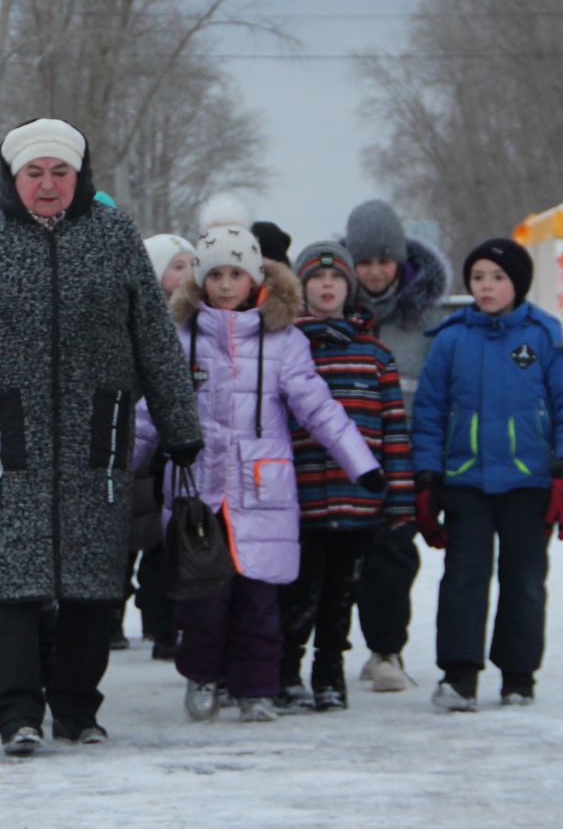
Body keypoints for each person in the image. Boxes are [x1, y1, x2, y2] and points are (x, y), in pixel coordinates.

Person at [0, 118, 202, 756]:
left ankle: (77, 710)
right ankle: (17, 713)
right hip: (6, 435)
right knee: (8, 584)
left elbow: (156, 339)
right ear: (12, 178)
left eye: (60, 172)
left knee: (91, 584)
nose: (47, 185)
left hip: (93, 437)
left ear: (79, 178)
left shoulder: (113, 235)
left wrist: (180, 425)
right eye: (34, 173)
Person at [140, 204, 383, 723]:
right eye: (216, 275)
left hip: (264, 489)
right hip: (197, 491)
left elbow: (318, 407)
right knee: (203, 602)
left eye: (236, 273)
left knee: (259, 603)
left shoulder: (284, 340)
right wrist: (118, 466)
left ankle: (255, 689)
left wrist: (361, 464)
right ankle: (203, 680)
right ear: (201, 281)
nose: (226, 285)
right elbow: (149, 411)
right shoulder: (179, 338)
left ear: (255, 278)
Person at [412, 239, 563, 712]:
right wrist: (428, 477)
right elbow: (429, 411)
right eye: (478, 278)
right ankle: (459, 675)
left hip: (529, 484)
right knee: (463, 578)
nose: (487, 287)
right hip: (467, 482)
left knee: (525, 580)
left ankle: (518, 676)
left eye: (498, 277)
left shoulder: (543, 337)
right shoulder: (452, 339)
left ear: (517, 284)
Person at [284, 242, 415, 711]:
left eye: (336, 279)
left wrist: (399, 499)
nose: (326, 286)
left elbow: (395, 435)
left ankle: (329, 674)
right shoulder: (284, 349)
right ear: (300, 289)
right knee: (301, 593)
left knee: (342, 594)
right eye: (316, 279)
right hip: (302, 501)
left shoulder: (375, 356)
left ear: (349, 288)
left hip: (358, 503)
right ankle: (288, 669)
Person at [342, 199, 451, 693]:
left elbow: (437, 397)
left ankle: (386, 651)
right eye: (365, 262)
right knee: (339, 562)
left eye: (385, 261)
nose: (376, 272)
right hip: (339, 462)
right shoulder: (330, 311)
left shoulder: (427, 320)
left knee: (393, 557)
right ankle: (326, 652)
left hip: (400, 461)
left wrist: (431, 466)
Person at [130, 232, 199, 659]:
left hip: (179, 448)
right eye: (177, 266)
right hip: (146, 451)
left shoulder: (198, 322)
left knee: (175, 540)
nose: (189, 273)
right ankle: (153, 621)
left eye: (193, 264)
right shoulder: (140, 319)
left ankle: (170, 623)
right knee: (147, 540)